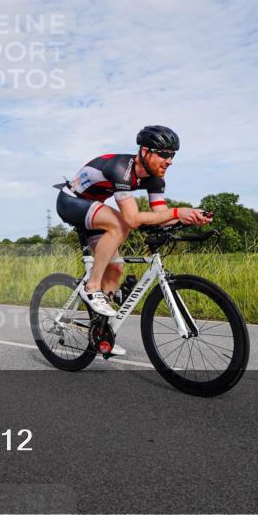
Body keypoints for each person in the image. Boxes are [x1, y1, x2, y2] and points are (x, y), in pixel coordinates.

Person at [55, 125, 211, 356]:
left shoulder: (155, 179)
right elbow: (132, 218)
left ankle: (100, 333)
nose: (169, 161)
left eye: (173, 155)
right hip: (71, 202)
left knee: (116, 268)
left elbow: (161, 216)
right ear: (145, 152)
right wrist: (178, 212)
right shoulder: (122, 169)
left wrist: (190, 218)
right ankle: (91, 287)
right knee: (120, 224)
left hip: (93, 208)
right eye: (164, 154)